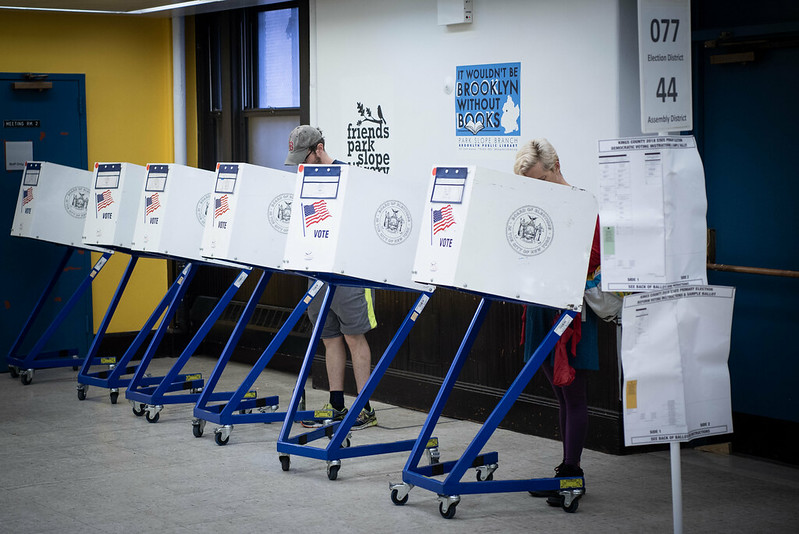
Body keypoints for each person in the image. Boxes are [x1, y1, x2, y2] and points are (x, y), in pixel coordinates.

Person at [513, 138, 601, 500]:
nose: (539, 190)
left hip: (570, 311)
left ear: (556, 166)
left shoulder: (583, 204)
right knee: (561, 396)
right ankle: (567, 468)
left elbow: (595, 255)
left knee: (574, 394)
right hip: (540, 306)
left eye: (542, 180)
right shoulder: (538, 206)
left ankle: (572, 474)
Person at [285, 125, 378, 430]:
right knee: (329, 338)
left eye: (305, 157)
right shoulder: (305, 179)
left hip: (351, 272)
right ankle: (336, 405)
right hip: (318, 272)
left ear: (320, 149)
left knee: (354, 337)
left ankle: (364, 409)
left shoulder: (350, 177)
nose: (301, 164)